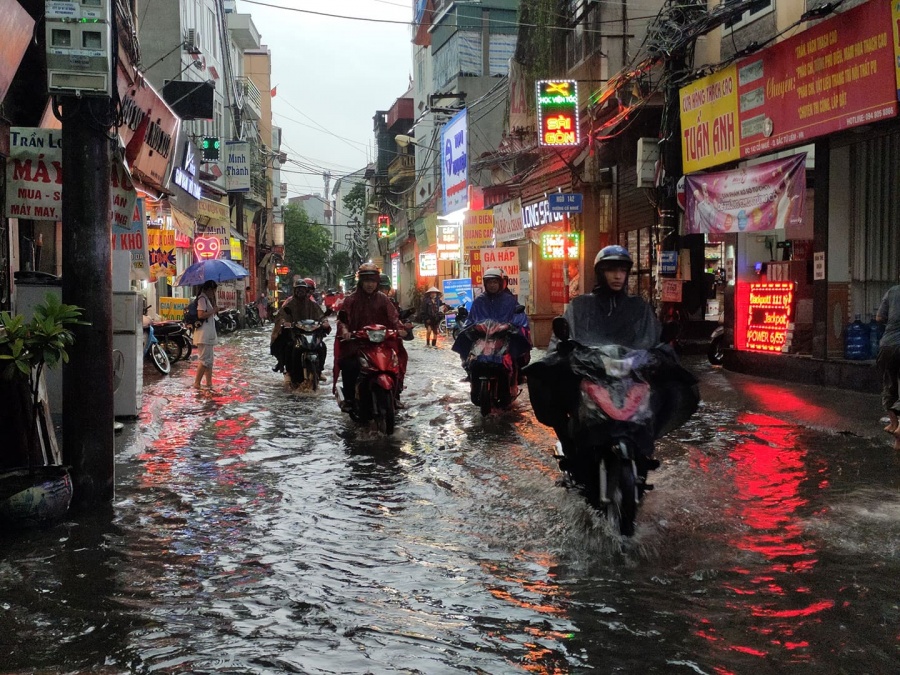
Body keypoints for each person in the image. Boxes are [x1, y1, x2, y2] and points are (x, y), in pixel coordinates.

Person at [546, 245, 662, 473]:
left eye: (622, 270)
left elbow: (650, 338)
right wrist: (563, 352)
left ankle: (644, 449)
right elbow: (564, 339)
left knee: (665, 390)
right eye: (611, 270)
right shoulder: (581, 306)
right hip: (593, 374)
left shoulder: (638, 307)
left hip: (628, 376)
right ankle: (571, 448)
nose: (618, 276)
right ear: (601, 273)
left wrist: (659, 352)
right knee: (550, 387)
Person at [334, 263, 408, 407]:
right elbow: (342, 321)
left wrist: (401, 329)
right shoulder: (350, 300)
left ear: (377, 282)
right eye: (367, 281)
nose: (370, 285)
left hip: (382, 343)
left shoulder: (383, 299)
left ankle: (396, 394)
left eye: (373, 281)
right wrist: (345, 332)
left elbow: (394, 318)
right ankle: (349, 399)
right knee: (350, 365)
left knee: (396, 363)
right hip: (357, 344)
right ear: (361, 282)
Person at [452, 268, 531, 379]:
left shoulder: (509, 300)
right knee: (471, 359)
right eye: (489, 282)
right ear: (485, 284)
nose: (492, 285)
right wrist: (474, 327)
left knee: (514, 354)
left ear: (500, 283)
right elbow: (471, 320)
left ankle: (513, 381)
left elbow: (519, 318)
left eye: (494, 282)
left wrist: (509, 326)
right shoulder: (479, 301)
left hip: (503, 338)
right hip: (482, 340)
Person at [271, 278, 330, 379]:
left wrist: (324, 322)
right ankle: (289, 371)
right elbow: (281, 316)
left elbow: (321, 316)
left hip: (311, 333)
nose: (300, 292)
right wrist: (286, 323)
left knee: (321, 346)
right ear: (294, 291)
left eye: (303, 289)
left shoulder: (312, 304)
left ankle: (319, 370)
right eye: (298, 290)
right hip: (295, 334)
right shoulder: (289, 304)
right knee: (289, 347)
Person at [876, 283, 900, 450]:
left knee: (889, 384)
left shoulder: (893, 291)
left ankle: (893, 424)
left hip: (888, 345)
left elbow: (879, 318)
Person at [192, 280, 218, 390]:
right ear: (209, 289)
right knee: (204, 360)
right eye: (213, 290)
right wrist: (213, 311)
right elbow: (201, 314)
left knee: (209, 361)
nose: (214, 293)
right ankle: (197, 383)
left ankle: (209, 383)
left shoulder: (206, 299)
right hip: (204, 335)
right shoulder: (202, 299)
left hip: (208, 334)